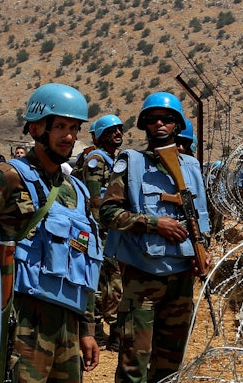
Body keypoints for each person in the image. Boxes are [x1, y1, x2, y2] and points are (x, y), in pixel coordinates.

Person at [0, 83, 103, 383]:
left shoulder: (77, 190)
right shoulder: (9, 177)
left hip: (67, 325)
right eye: (60, 126)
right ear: (36, 129)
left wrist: (86, 330)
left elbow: (85, 265)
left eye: (74, 128)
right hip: (23, 320)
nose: (70, 136)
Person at [100, 92, 212, 383]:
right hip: (142, 277)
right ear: (144, 125)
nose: (160, 124)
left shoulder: (192, 167)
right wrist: (153, 224)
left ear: (177, 124)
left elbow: (201, 219)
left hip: (181, 279)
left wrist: (204, 251)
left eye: (167, 119)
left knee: (170, 363)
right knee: (134, 363)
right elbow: (109, 213)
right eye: (152, 119)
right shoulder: (131, 163)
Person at [73, 113, 126, 350]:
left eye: (120, 130)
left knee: (106, 281)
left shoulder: (110, 159)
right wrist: (102, 229)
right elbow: (96, 198)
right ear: (102, 136)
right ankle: (108, 332)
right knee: (107, 280)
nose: (118, 134)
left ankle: (108, 331)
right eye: (112, 131)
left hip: (109, 229)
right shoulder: (97, 159)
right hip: (101, 231)